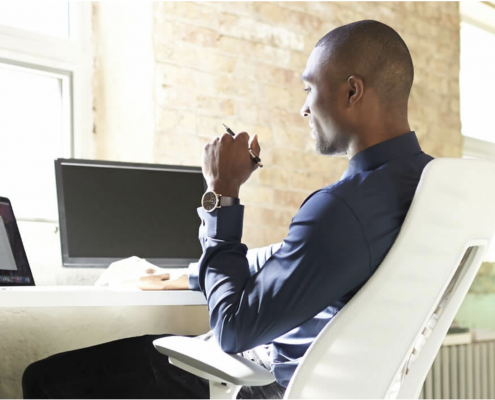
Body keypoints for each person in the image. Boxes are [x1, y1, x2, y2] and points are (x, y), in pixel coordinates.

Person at [23, 19, 434, 399]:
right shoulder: (426, 186)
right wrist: (180, 276)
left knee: (46, 378)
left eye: (309, 88)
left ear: (352, 91)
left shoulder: (341, 208)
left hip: (270, 384)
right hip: (351, 385)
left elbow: (233, 330)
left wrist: (222, 192)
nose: (304, 108)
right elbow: (295, 258)